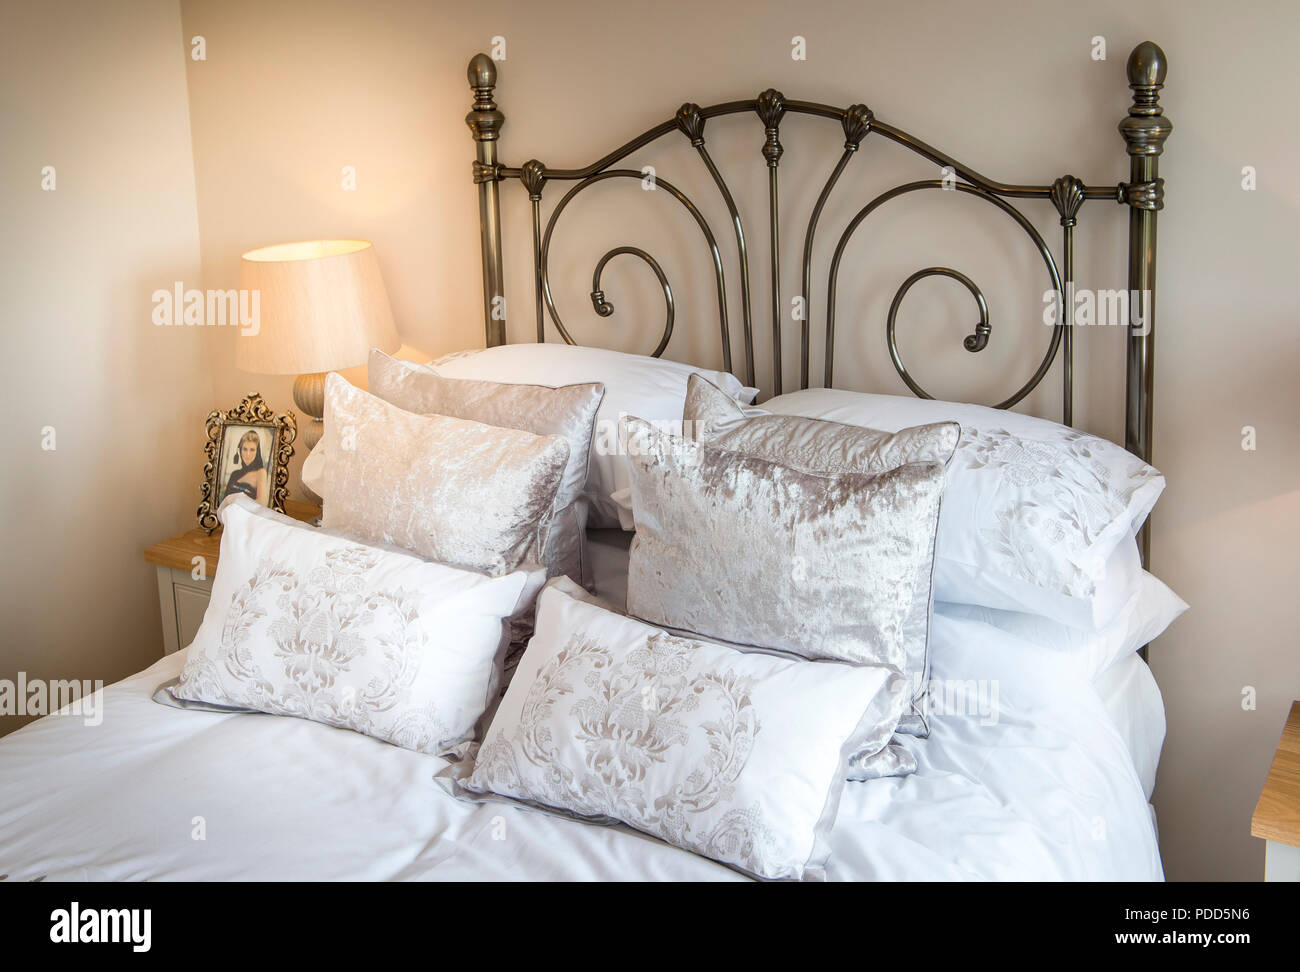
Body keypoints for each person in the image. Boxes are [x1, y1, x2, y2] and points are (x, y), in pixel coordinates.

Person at [223, 429, 269, 505]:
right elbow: (224, 502)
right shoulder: (234, 474)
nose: (248, 454)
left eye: (252, 450)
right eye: (245, 449)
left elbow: (261, 504)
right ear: (240, 450)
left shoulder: (261, 473)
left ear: (257, 452)